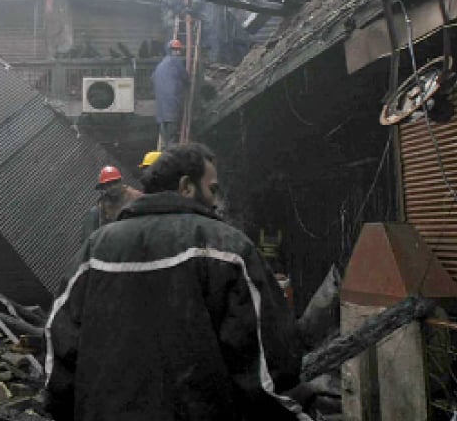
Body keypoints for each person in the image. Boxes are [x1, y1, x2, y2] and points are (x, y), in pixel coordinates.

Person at [45, 143, 306, 421]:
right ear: (186, 187)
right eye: (213, 188)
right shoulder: (226, 248)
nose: (216, 201)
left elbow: (59, 340)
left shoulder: (94, 249)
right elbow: (269, 358)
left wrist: (62, 408)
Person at [81, 166, 142, 242]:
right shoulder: (103, 203)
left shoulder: (136, 197)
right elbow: (103, 227)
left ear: (121, 181)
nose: (112, 187)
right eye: (108, 185)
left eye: (115, 183)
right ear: (103, 187)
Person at [151, 39, 187, 147]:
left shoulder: (161, 64)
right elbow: (185, 77)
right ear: (170, 50)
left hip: (161, 105)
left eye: (178, 50)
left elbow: (152, 78)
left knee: (165, 130)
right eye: (176, 50)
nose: (178, 52)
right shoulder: (176, 61)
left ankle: (166, 149)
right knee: (172, 133)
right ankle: (172, 152)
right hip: (171, 102)